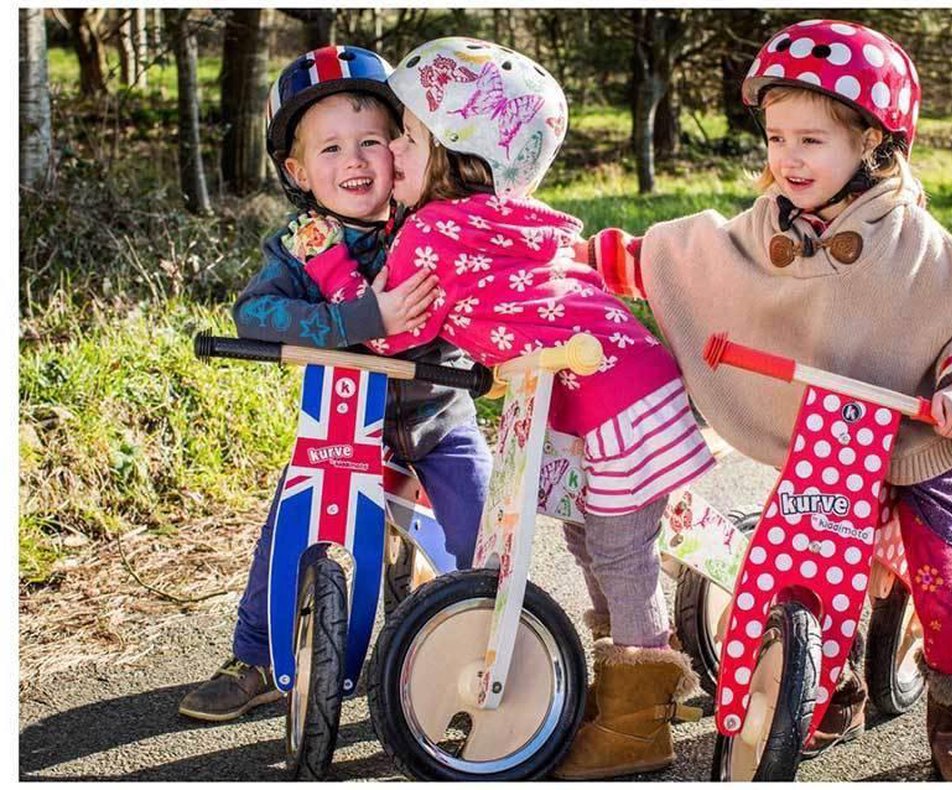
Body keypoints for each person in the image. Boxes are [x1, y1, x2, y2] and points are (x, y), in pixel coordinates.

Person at [581, 19, 952, 781]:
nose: (787, 158)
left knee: (938, 581)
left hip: (917, 442)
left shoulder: (911, 239)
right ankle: (836, 688)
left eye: (811, 141)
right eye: (776, 137)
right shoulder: (771, 226)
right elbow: (693, 258)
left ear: (871, 142)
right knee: (811, 558)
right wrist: (580, 259)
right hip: (834, 440)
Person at [290, 37, 713, 779]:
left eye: (407, 137)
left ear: (459, 153)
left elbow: (389, 330)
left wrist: (328, 263)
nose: (392, 149)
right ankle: (634, 673)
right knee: (594, 536)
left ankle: (638, 721)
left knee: (619, 548)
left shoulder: (431, 230)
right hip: (611, 384)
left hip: (608, 396)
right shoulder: (499, 214)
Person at [177, 45, 493, 723]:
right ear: (297, 171)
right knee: (289, 527)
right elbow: (255, 315)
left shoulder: (430, 222)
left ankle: (487, 648)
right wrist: (359, 318)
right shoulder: (304, 243)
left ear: (403, 147)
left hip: (439, 420)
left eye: (371, 141)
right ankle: (256, 654)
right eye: (330, 148)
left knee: (486, 526)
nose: (354, 161)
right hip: (344, 425)